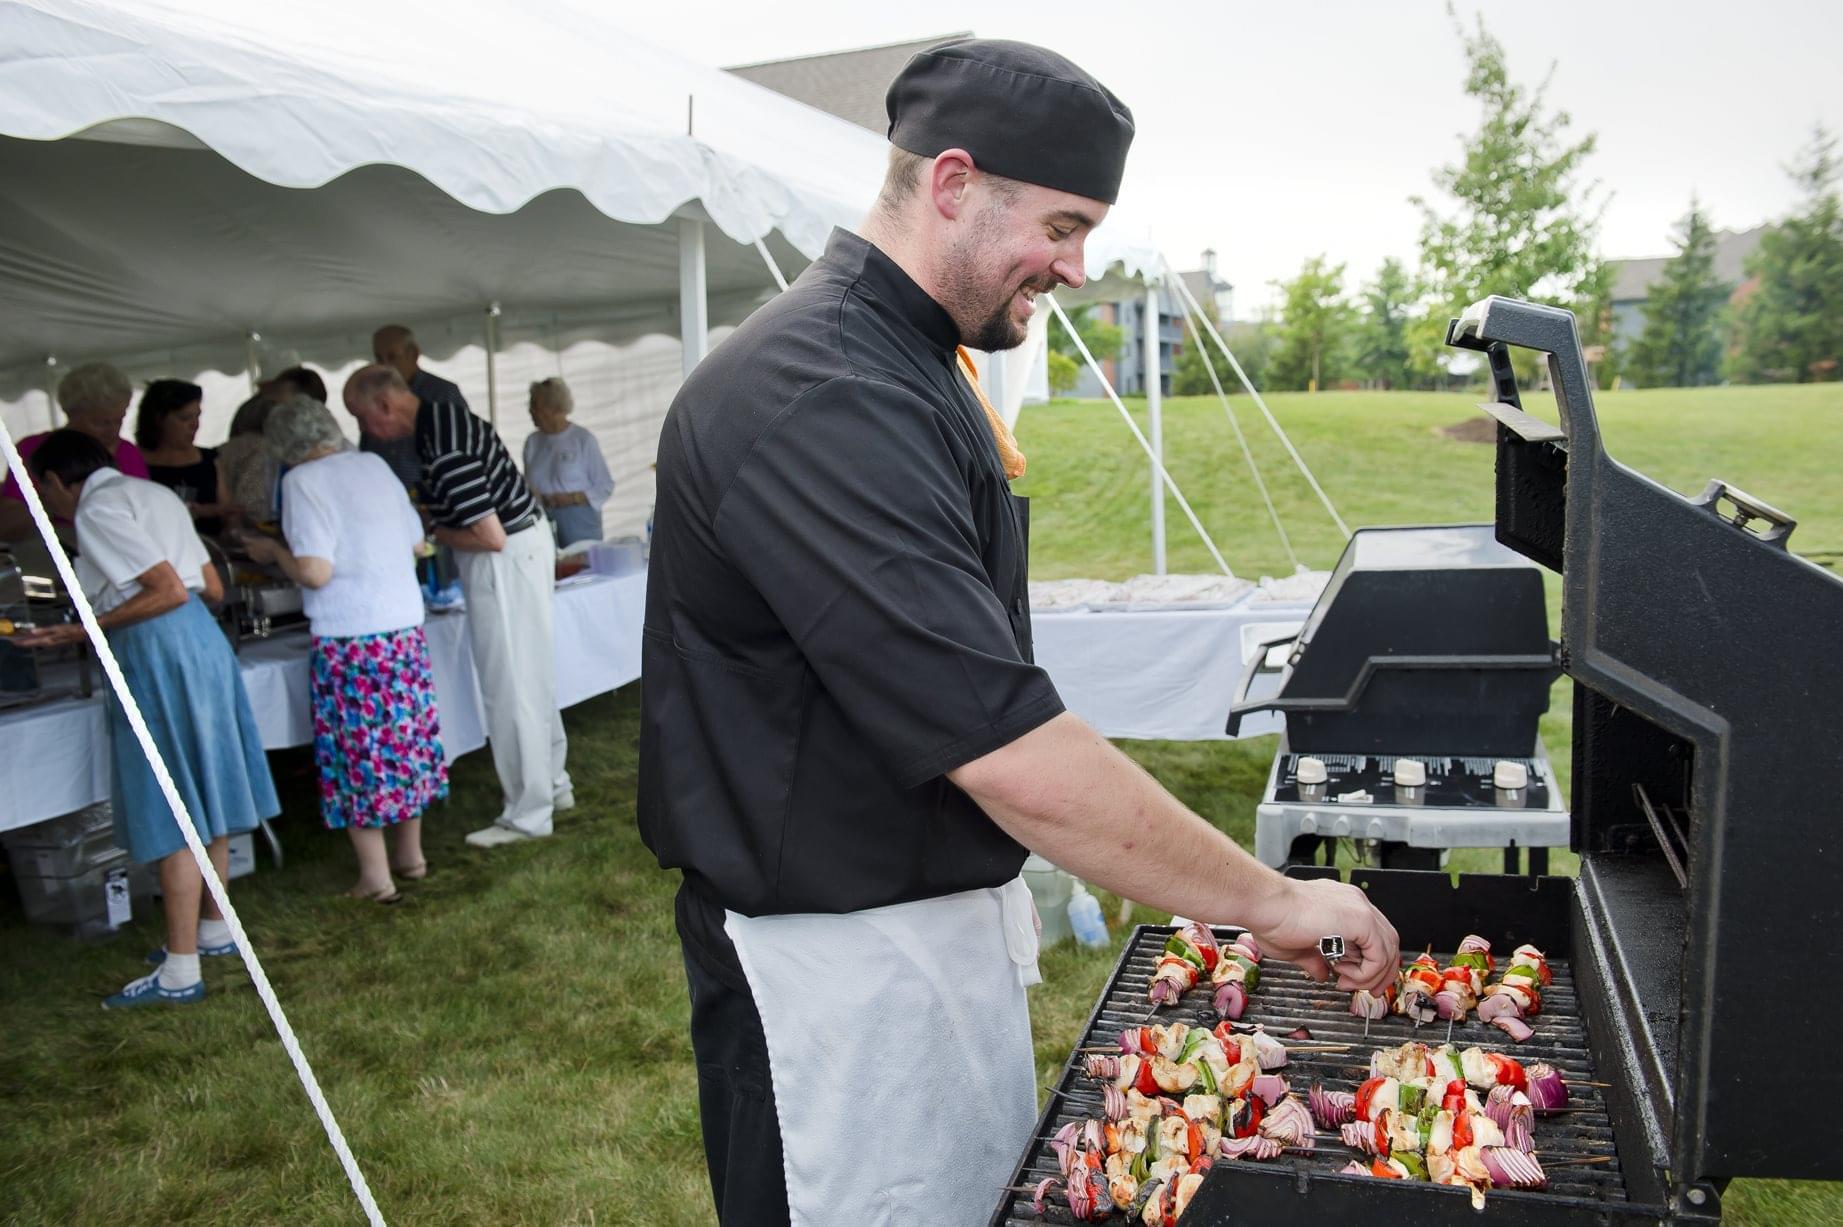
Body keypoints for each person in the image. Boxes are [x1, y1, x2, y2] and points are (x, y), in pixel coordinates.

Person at [638, 39, 1400, 1225]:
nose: (1076, 265)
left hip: (914, 943)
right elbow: (1006, 747)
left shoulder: (907, 358)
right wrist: (1272, 901)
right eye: (1061, 224)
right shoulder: (817, 394)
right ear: (951, 183)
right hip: (837, 983)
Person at [17, 431, 278, 1008]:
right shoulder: (152, 493)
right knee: (204, 797)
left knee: (175, 806)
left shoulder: (98, 509)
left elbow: (168, 591)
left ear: (58, 481)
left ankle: (180, 970)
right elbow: (207, 586)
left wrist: (82, 628)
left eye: (43, 488)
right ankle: (215, 929)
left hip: (159, 652)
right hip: (202, 648)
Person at [342, 365, 572, 849]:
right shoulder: (444, 417)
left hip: (502, 560)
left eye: (363, 419)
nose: (366, 432)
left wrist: (429, 532)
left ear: (385, 405)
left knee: (509, 686)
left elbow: (487, 536)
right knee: (531, 677)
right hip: (522, 548)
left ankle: (528, 813)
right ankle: (552, 785)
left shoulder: (442, 443)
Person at [240, 395, 446, 902]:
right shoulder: (373, 464)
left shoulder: (303, 482)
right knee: (403, 741)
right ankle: (411, 858)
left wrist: (271, 552)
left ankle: (376, 878)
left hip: (351, 636)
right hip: (401, 627)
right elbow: (419, 543)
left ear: (286, 446)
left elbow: (314, 571)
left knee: (360, 753)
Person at [0, 361, 150, 543]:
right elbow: (7, 524)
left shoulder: (127, 452)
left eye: (120, 419)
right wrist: (52, 500)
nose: (113, 430)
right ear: (71, 413)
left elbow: (145, 515)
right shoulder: (33, 449)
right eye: (101, 422)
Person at [218, 367, 330, 527]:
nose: (273, 412)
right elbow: (252, 506)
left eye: (279, 406)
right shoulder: (263, 448)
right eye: (271, 405)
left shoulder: (335, 451)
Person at [363, 325, 469, 490]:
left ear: (413, 353)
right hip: (386, 496)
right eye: (379, 358)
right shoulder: (373, 397)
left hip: (432, 500)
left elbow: (461, 448)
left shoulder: (442, 393)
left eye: (392, 357)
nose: (384, 365)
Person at [522, 377, 614, 548]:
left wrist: (573, 498)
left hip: (581, 526)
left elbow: (605, 486)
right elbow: (529, 484)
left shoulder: (583, 439)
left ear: (555, 408)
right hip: (544, 525)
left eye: (536, 406)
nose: (530, 411)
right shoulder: (532, 442)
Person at [136, 379, 231, 537]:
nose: (195, 425)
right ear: (159, 419)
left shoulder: (209, 459)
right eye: (184, 418)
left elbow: (227, 512)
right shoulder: (134, 461)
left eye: (197, 416)